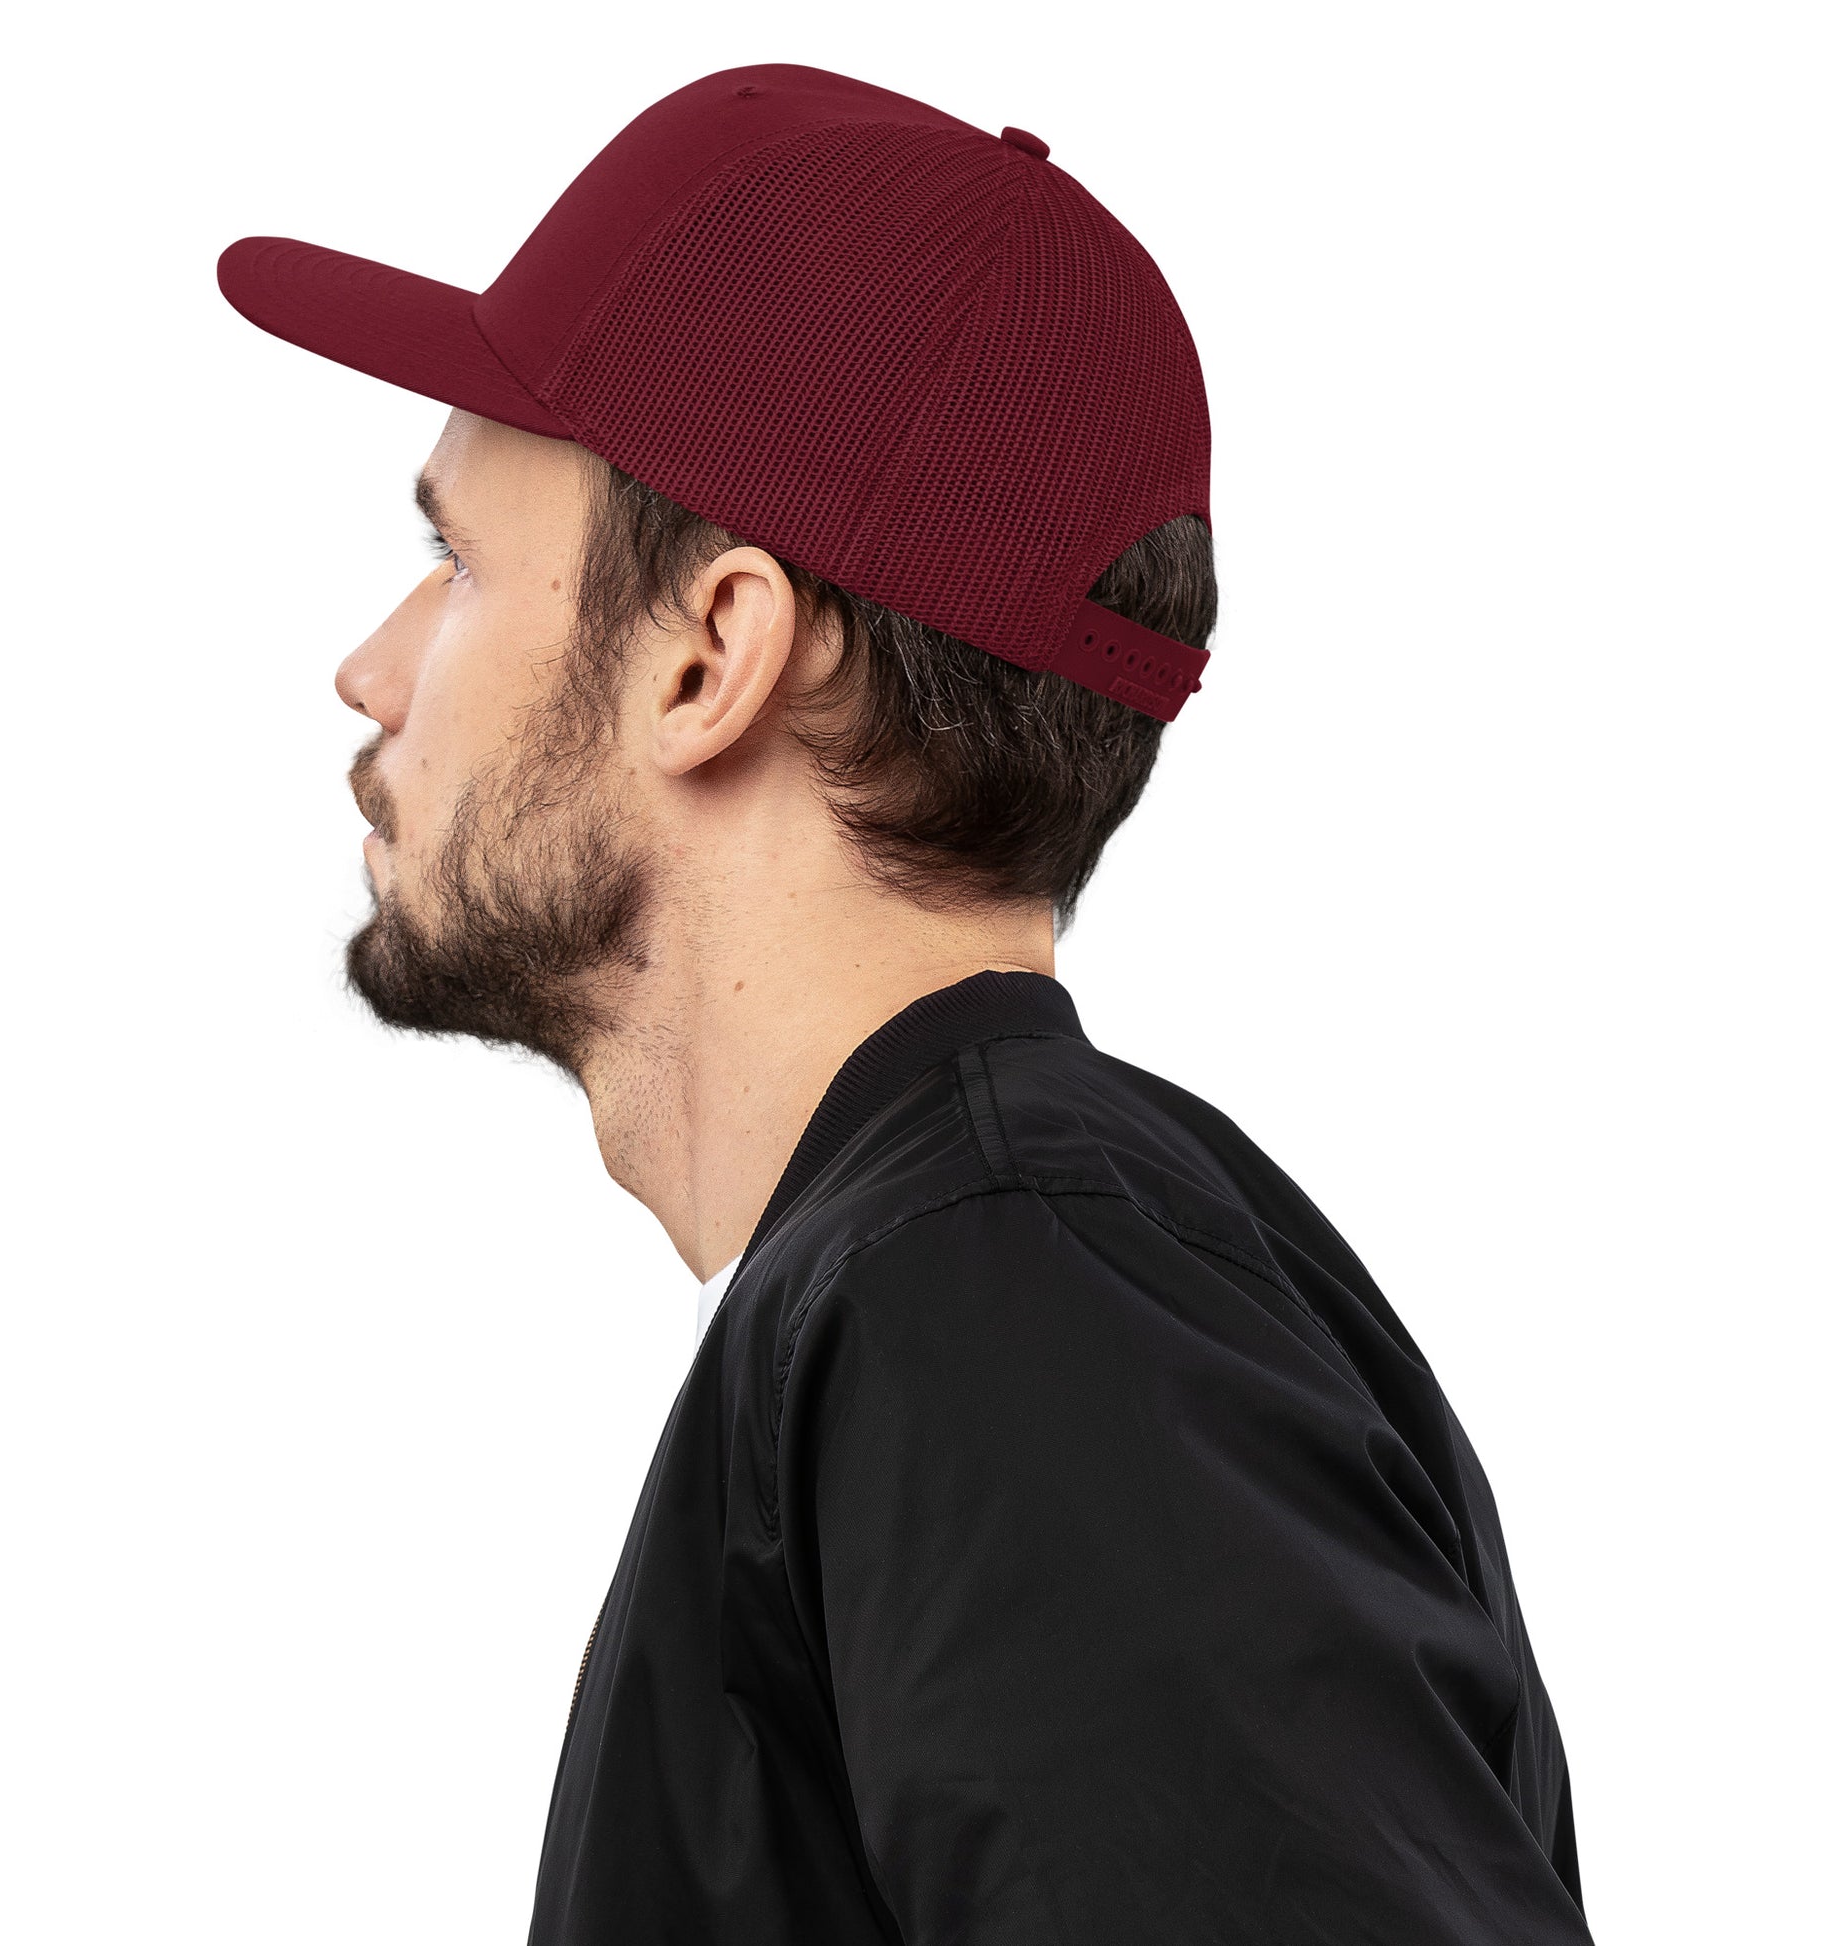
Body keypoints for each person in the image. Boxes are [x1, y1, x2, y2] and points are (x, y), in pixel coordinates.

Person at [217, 60, 1593, 1945]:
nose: (369, 669)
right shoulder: (982, 1283)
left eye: (455, 558)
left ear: (709, 655)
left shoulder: (1007, 1300)